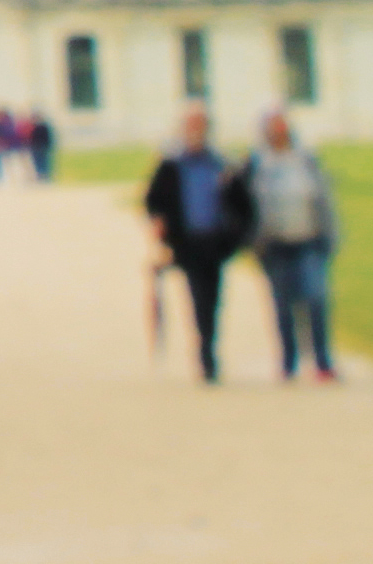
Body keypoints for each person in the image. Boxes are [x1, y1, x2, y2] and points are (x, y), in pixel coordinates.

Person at [144, 107, 259, 382]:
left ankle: (208, 343)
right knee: (199, 295)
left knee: (214, 297)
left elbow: (243, 204)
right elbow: (153, 200)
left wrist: (238, 237)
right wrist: (160, 224)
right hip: (187, 242)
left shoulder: (220, 163)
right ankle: (206, 350)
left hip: (215, 242)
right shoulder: (172, 165)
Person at [247, 109, 340, 383]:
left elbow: (324, 198)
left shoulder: (306, 158)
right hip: (275, 245)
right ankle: (289, 360)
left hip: (309, 240)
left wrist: (330, 234)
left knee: (316, 298)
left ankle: (322, 360)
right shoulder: (257, 163)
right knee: (283, 305)